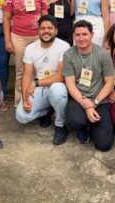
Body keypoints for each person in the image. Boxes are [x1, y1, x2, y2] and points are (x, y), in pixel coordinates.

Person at [17, 16, 73, 144]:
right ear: (38, 31)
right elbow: (26, 75)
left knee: (57, 92)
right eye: (43, 28)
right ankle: (47, 111)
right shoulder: (31, 48)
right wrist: (25, 97)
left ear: (56, 31)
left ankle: (60, 125)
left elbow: (60, 76)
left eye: (50, 28)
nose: (46, 31)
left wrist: (36, 83)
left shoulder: (64, 46)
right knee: (21, 116)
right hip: (40, 88)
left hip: (57, 85)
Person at [63, 20, 115, 151]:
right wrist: (86, 105)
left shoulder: (103, 54)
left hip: (100, 100)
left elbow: (110, 83)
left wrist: (95, 103)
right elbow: (70, 84)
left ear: (92, 35)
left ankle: (93, 126)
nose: (81, 38)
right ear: (74, 36)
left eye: (85, 34)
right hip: (79, 99)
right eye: (78, 35)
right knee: (75, 120)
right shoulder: (68, 55)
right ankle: (82, 128)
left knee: (104, 145)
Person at [4, 0, 49, 105]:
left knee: (38, 69)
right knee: (20, 70)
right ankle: (20, 101)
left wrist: (45, 35)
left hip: (37, 37)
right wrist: (8, 41)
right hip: (18, 37)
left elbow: (45, 17)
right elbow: (6, 19)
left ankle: (37, 101)